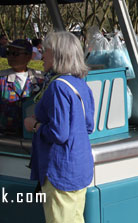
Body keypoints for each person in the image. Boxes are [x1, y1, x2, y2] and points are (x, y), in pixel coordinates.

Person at [24, 31, 95, 223]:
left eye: (46, 51)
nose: (42, 56)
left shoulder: (58, 87)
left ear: (58, 55)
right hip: (80, 167)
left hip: (59, 171)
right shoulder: (81, 85)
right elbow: (89, 126)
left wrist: (35, 125)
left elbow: (59, 133)